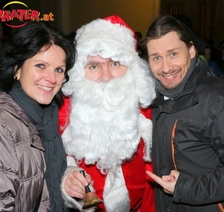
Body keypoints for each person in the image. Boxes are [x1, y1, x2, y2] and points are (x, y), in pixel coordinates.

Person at [142, 15, 224, 211]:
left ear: (191, 51)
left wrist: (186, 188)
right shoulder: (152, 100)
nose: (165, 68)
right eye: (156, 58)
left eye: (173, 54)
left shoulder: (222, 100)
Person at [0, 21, 76, 211]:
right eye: (40, 65)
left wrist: (69, 178)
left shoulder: (43, 114)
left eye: (59, 69)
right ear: (16, 68)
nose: (52, 79)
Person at [59, 15, 156, 212]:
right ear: (80, 72)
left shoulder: (150, 112)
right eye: (94, 66)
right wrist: (67, 180)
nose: (105, 77)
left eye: (115, 64)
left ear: (131, 68)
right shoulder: (63, 113)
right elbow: (52, 165)